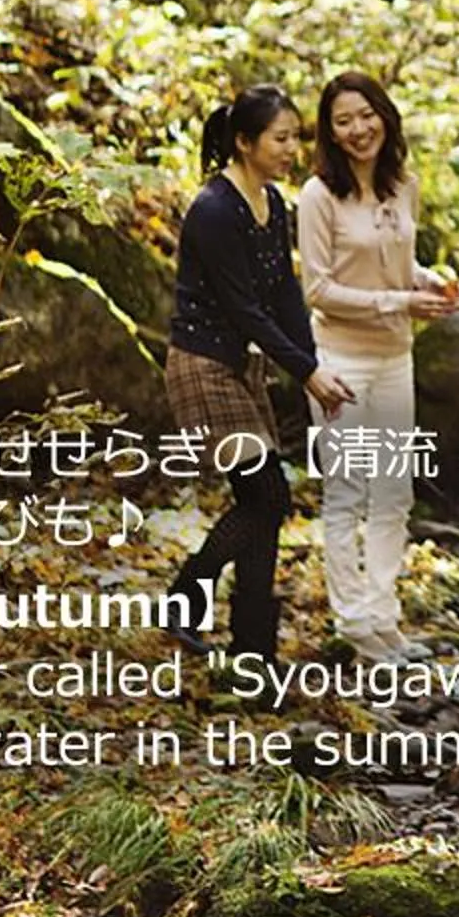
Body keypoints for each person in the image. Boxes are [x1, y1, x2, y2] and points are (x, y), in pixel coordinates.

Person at [165, 84, 353, 668]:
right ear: (244, 143)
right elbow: (244, 307)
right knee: (267, 493)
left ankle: (253, 651)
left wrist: (312, 367)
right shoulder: (215, 210)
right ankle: (185, 595)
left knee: (263, 503)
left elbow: (284, 296)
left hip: (243, 366)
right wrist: (305, 371)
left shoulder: (275, 205)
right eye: (281, 138)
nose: (292, 148)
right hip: (202, 366)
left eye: (296, 137)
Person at [295, 70, 459, 664]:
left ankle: (383, 616)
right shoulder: (317, 196)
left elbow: (400, 265)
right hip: (339, 360)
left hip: (396, 357)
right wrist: (399, 301)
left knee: (395, 493)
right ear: (330, 132)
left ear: (384, 117)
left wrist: (433, 286)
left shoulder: (402, 186)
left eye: (366, 115)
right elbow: (317, 289)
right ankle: (353, 622)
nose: (358, 129)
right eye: (343, 121)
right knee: (347, 494)